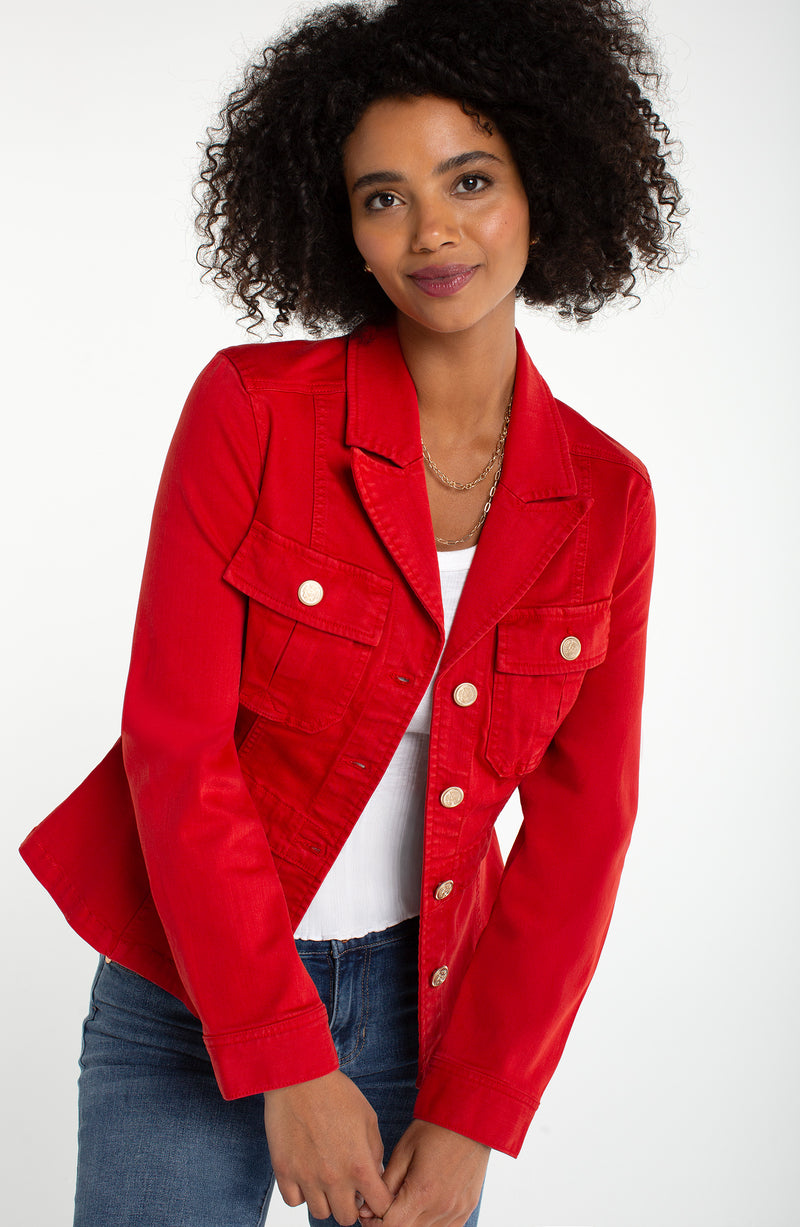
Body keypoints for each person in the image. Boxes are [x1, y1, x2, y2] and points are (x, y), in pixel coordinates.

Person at [19, 1, 683, 1224]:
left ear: (547, 182)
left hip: (429, 1014)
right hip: (187, 989)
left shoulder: (607, 500)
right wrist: (282, 1054)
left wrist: (476, 1106)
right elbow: (176, 747)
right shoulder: (250, 413)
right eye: (383, 197)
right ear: (346, 233)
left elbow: (583, 830)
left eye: (468, 179)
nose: (432, 229)